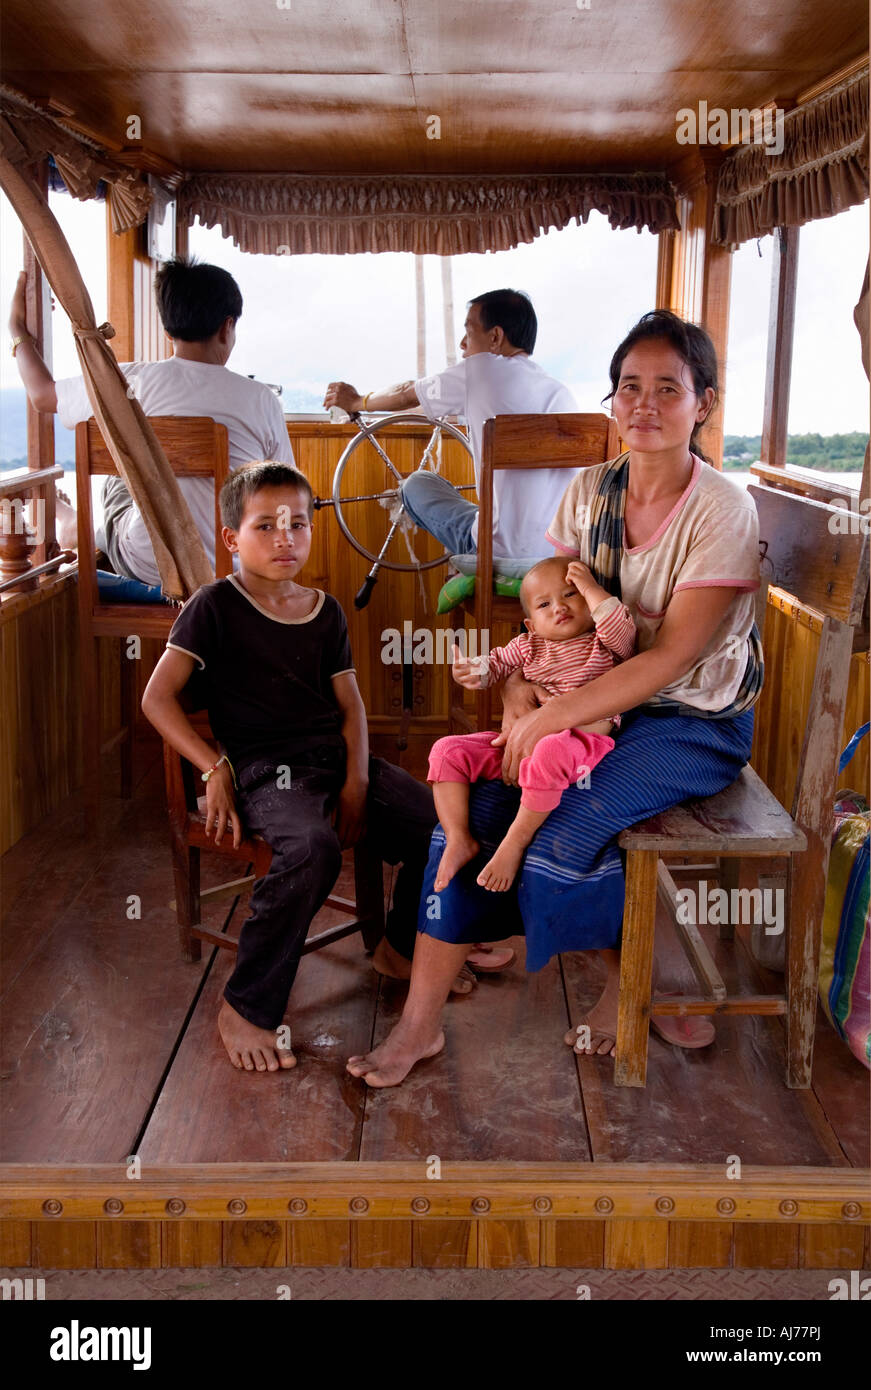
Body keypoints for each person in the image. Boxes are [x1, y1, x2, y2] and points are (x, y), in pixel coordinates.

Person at [345, 309, 762, 1088]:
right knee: (466, 812)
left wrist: (549, 716)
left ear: (701, 404)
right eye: (628, 386)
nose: (643, 404)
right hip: (581, 705)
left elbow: (671, 656)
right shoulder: (590, 489)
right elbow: (544, 612)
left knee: (566, 825)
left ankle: (630, 979)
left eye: (666, 388)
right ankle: (417, 1027)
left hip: (687, 721)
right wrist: (516, 695)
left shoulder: (721, 511)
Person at [141, 460, 440, 1071]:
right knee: (312, 848)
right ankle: (246, 1005)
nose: (285, 538)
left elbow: (351, 706)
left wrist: (357, 782)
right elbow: (156, 698)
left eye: (297, 524)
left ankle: (395, 947)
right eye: (267, 525)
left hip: (331, 760)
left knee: (436, 824)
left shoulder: (324, 610)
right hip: (263, 771)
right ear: (232, 538)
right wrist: (212, 766)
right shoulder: (214, 606)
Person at [8, 258, 294, 587]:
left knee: (123, 461)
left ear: (167, 327)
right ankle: (79, 526)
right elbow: (284, 492)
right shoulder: (261, 399)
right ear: (227, 327)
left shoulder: (126, 381)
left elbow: (42, 396)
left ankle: (76, 527)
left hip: (145, 562)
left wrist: (18, 331)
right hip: (232, 567)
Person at [323, 288, 578, 561]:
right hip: (557, 552)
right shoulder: (562, 394)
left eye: (469, 332)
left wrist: (357, 401)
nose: (462, 344)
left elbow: (407, 394)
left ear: (495, 337)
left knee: (416, 484)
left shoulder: (481, 371)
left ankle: (463, 563)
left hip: (498, 551)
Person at [430, 556, 635, 892]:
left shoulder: (603, 643)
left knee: (551, 750)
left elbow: (622, 630)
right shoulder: (528, 646)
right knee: (446, 750)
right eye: (544, 604)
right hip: (523, 742)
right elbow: (494, 665)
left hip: (580, 743)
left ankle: (515, 843)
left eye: (571, 595)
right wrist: (473, 670)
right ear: (531, 625)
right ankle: (458, 838)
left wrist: (590, 586)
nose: (559, 607)